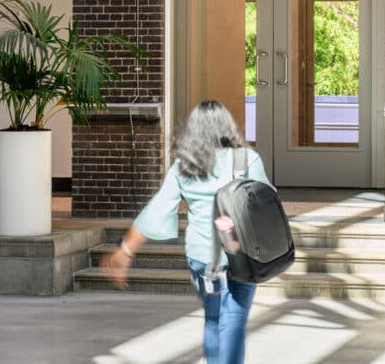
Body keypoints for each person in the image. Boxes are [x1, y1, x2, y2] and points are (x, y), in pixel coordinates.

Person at [100, 100, 270, 364]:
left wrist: (125, 250)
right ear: (228, 126)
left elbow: (156, 210)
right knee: (234, 321)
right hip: (242, 255)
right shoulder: (247, 159)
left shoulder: (184, 166)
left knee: (213, 319)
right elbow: (268, 204)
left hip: (202, 258)